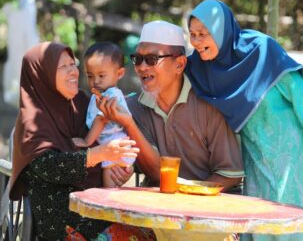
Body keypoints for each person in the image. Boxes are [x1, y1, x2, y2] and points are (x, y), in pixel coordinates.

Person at [185, 0, 303, 241]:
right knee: (265, 226)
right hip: (259, 160)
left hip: (300, 156)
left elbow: (301, 96)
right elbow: (166, 73)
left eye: (203, 34)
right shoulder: (200, 69)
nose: (197, 42)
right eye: (193, 35)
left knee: (302, 228)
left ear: (222, 32)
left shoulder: (261, 51)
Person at [9, 42, 155, 240]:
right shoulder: (33, 119)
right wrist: (99, 154)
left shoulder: (83, 102)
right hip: (64, 220)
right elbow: (47, 165)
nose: (73, 72)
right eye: (63, 67)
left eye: (73, 65)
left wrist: (119, 167)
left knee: (151, 232)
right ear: (41, 75)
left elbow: (110, 135)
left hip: (99, 208)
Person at [98, 20, 244, 192]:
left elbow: (229, 173)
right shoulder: (132, 108)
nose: (142, 67)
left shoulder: (209, 103)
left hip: (208, 209)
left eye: (152, 59)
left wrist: (191, 203)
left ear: (179, 64)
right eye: (137, 59)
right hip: (156, 207)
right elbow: (154, 171)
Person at [72, 42, 135, 188]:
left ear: (119, 73)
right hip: (112, 145)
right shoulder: (100, 93)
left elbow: (102, 119)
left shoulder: (111, 95)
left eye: (101, 75)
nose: (95, 81)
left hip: (116, 146)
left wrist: (86, 142)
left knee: (109, 192)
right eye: (90, 76)